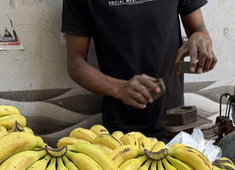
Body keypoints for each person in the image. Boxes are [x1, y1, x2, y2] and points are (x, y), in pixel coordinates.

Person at [61, 0, 217, 139]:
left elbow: (199, 29)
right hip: (120, 134)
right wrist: (119, 88)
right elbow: (76, 65)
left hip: (175, 126)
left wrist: (201, 38)